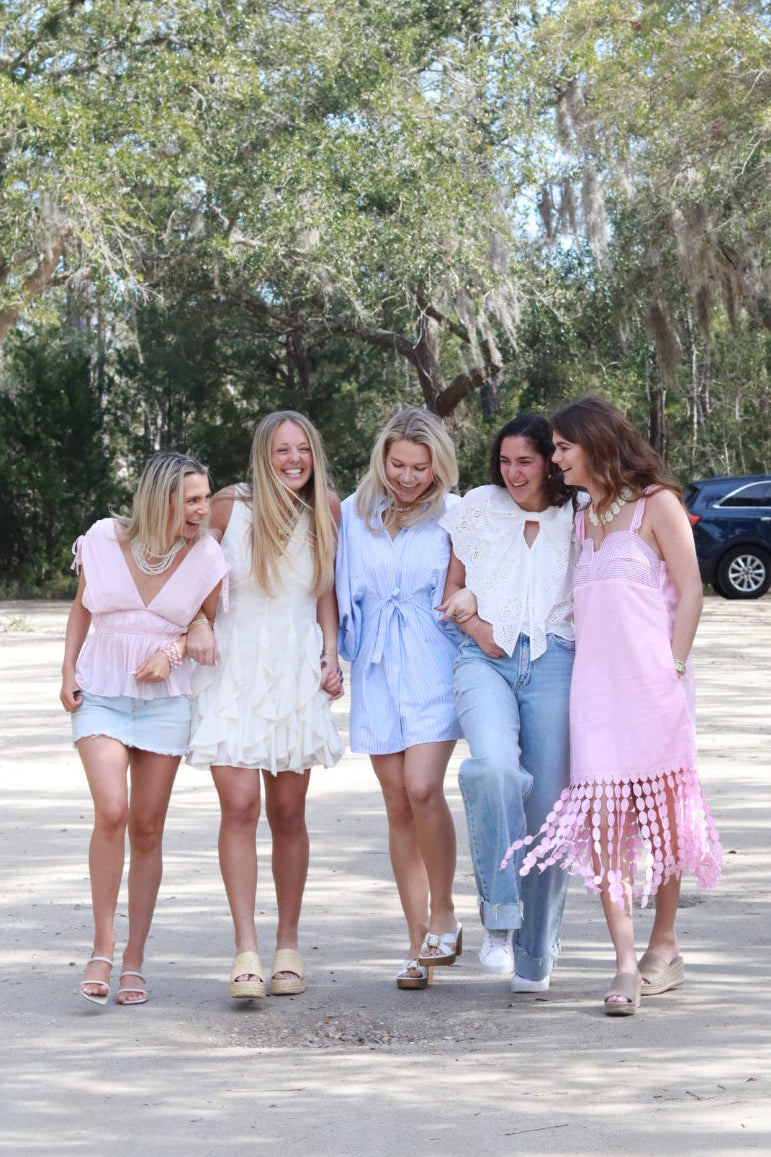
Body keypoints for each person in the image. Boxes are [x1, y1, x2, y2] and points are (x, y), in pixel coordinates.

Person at [506, 396, 722, 1016]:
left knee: (664, 819)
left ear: (596, 444)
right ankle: (625, 962)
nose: (555, 459)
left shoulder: (657, 503)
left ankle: (664, 945)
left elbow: (691, 592)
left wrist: (672, 668)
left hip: (654, 686)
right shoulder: (580, 517)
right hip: (593, 693)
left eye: (562, 448)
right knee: (604, 829)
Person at [61, 451, 228, 1007]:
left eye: (206, 498)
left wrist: (173, 651)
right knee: (112, 810)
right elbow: (82, 608)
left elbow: (206, 626)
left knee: (148, 828)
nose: (203, 510)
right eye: (193, 500)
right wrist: (66, 671)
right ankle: (103, 945)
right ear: (161, 500)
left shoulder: (206, 556)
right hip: (101, 693)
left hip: (165, 702)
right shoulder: (103, 539)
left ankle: (134, 958)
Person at [188, 411, 343, 1001]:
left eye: (302, 449)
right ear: (263, 454)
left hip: (295, 668)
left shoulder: (327, 508)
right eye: (282, 450)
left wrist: (331, 654)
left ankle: (288, 945)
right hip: (233, 669)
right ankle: (245, 949)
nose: (293, 460)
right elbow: (189, 573)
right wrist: (198, 624)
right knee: (239, 805)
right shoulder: (229, 507)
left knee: (287, 812)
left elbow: (325, 591)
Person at [438, 414, 579, 994]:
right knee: (493, 768)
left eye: (525, 461)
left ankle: (535, 952)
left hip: (555, 660)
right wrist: (478, 628)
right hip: (484, 659)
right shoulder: (478, 506)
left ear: (550, 461)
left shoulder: (579, 514)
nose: (513, 473)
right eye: (505, 461)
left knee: (547, 810)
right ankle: (499, 916)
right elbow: (451, 589)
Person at [335, 407, 463, 990]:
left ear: (438, 466)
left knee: (423, 787)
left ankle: (444, 913)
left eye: (420, 467)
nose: (408, 477)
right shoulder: (351, 514)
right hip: (376, 665)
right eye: (398, 465)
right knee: (396, 804)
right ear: (381, 460)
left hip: (433, 658)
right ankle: (418, 945)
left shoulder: (455, 516)